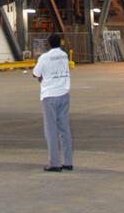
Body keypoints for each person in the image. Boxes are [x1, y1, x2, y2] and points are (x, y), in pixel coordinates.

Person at [32, 33, 73, 172]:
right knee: (64, 129)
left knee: (51, 130)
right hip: (64, 94)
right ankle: (68, 162)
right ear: (60, 43)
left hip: (50, 96)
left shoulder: (44, 57)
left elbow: (36, 74)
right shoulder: (64, 55)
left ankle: (54, 163)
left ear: (48, 44)